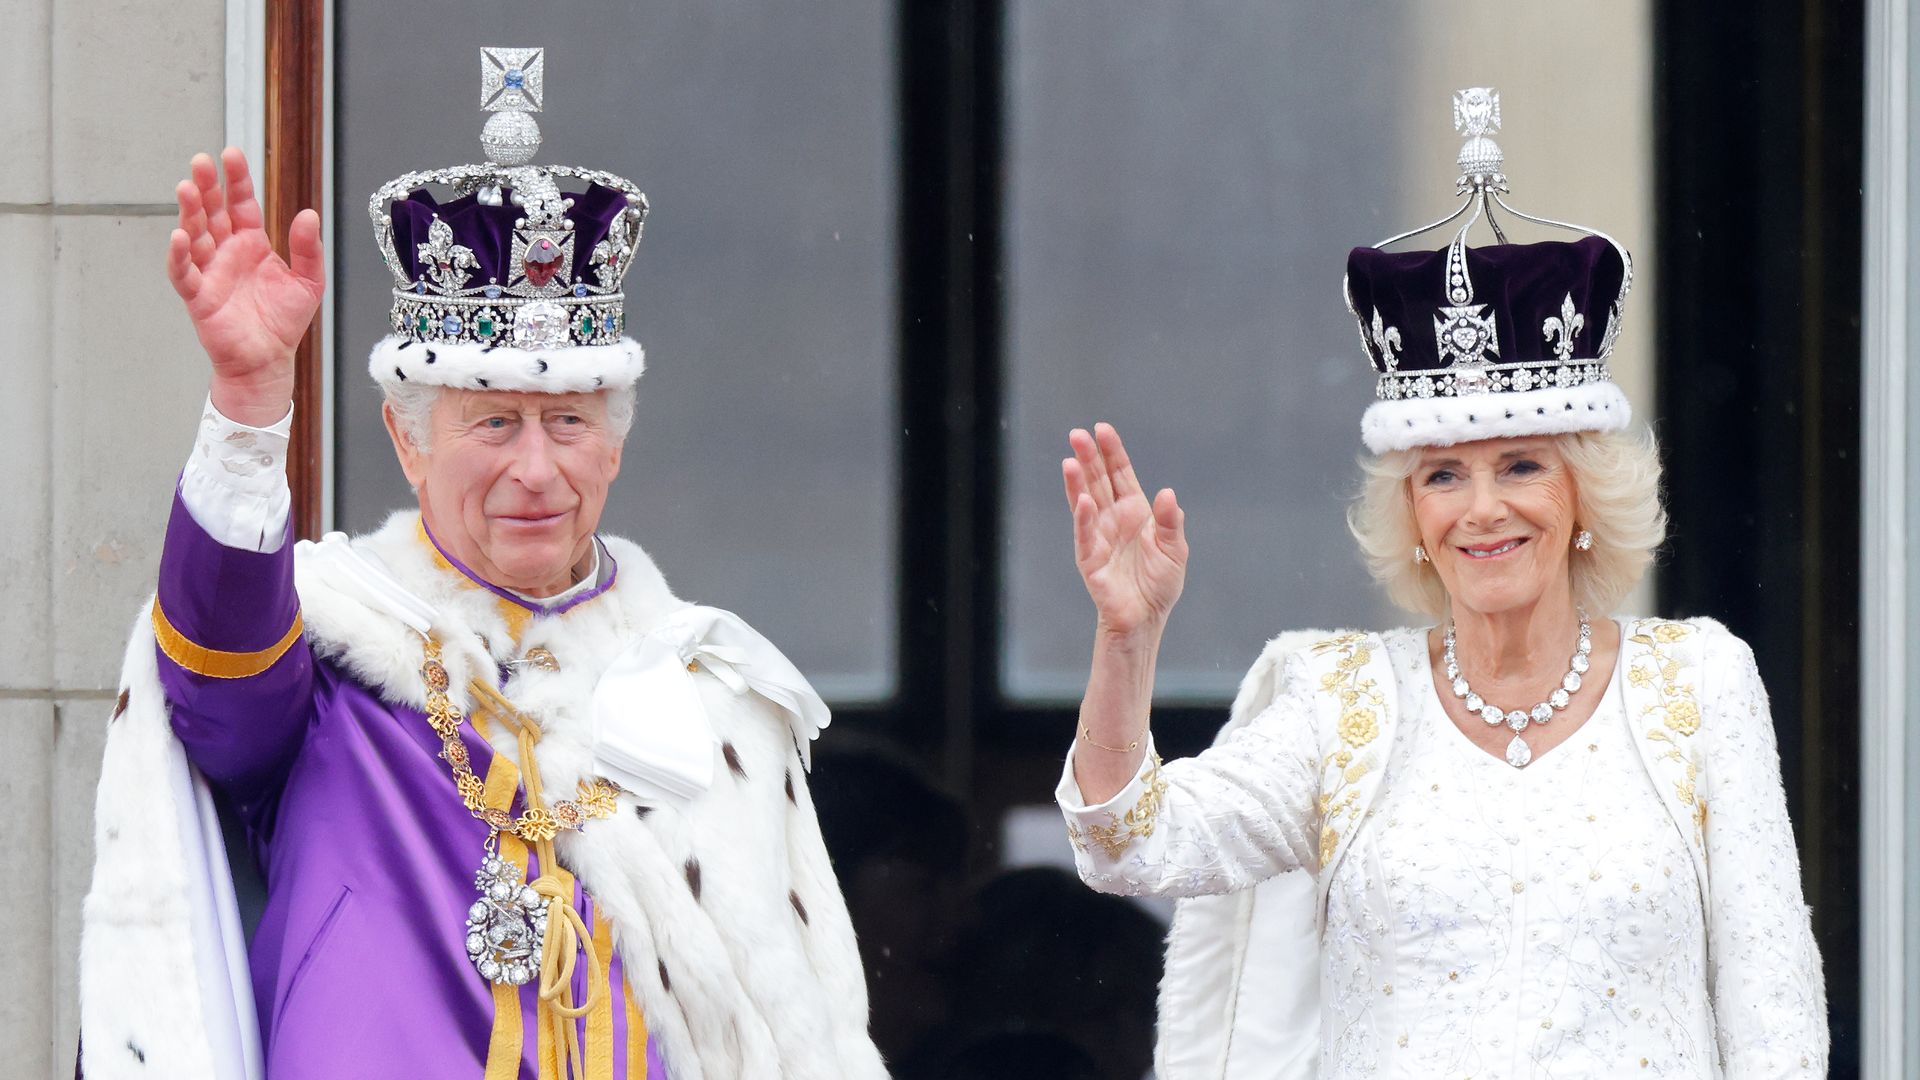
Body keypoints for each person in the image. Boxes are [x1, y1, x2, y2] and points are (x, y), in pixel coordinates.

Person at [77, 47, 886, 1080]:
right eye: (494, 421)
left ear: (618, 441)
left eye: (570, 421)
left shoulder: (712, 699)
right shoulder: (332, 657)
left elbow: (797, 1038)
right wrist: (248, 404)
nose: (536, 468)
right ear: (408, 440)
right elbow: (213, 672)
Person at [1053, 89, 1827, 1078]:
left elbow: (1776, 1011)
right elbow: (1130, 845)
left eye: (1521, 465)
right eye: (1444, 476)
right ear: (1412, 515)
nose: (1482, 509)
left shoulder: (1701, 684)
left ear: (1584, 494)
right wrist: (1127, 635)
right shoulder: (1340, 705)